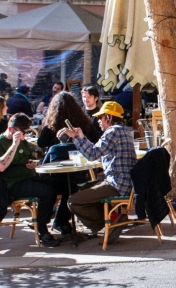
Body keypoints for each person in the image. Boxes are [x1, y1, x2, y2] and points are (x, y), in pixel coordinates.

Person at [57, 101, 136, 243]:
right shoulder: (123, 130)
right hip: (124, 183)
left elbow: (92, 155)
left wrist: (74, 137)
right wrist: (81, 137)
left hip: (116, 184)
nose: (98, 121)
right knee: (82, 189)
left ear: (109, 117)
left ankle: (108, 223)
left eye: (101, 118)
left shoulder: (112, 132)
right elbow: (96, 150)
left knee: (73, 201)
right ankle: (111, 220)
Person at [0, 114, 67, 246]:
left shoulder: (23, 142)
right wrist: (14, 145)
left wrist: (32, 163)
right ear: (11, 129)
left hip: (30, 176)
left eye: (27, 132)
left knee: (63, 184)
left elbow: (27, 159)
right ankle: (42, 230)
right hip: (11, 184)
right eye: (23, 132)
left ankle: (60, 222)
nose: (25, 135)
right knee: (47, 192)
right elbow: (0, 167)